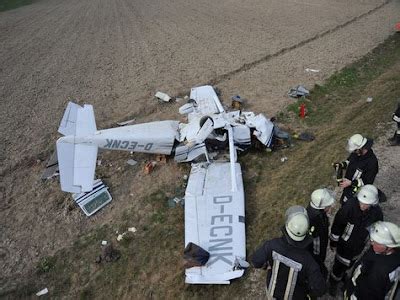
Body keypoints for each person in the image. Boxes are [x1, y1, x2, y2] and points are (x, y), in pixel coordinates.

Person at [252, 206, 326, 299]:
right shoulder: (308, 261)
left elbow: (256, 261)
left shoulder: (272, 245)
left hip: (272, 295)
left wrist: (266, 266)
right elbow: (320, 289)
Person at [329, 184, 383, 296]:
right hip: (344, 246)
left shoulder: (376, 213)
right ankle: (333, 283)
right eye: (361, 202)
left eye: (366, 204)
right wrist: (333, 242)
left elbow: (377, 228)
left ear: (373, 203)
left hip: (358, 246)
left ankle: (343, 275)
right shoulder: (348, 208)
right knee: (338, 266)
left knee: (351, 264)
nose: (362, 205)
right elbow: (337, 226)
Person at [344, 221, 400, 300]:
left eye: (375, 241)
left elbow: (368, 295)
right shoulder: (381, 251)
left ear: (389, 247)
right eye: (372, 239)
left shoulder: (377, 273)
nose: (371, 242)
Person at [333, 133, 378, 205]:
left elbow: (367, 182)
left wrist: (351, 183)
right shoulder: (356, 153)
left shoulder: (372, 163)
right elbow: (349, 161)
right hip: (348, 186)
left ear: (361, 148)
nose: (354, 152)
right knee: (344, 202)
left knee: (352, 206)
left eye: (355, 150)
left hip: (358, 191)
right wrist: (342, 165)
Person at [306, 188, 335, 280]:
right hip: (316, 252)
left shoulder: (317, 212)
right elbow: (315, 242)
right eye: (328, 205)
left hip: (320, 244)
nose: (330, 206)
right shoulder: (314, 218)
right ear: (321, 207)